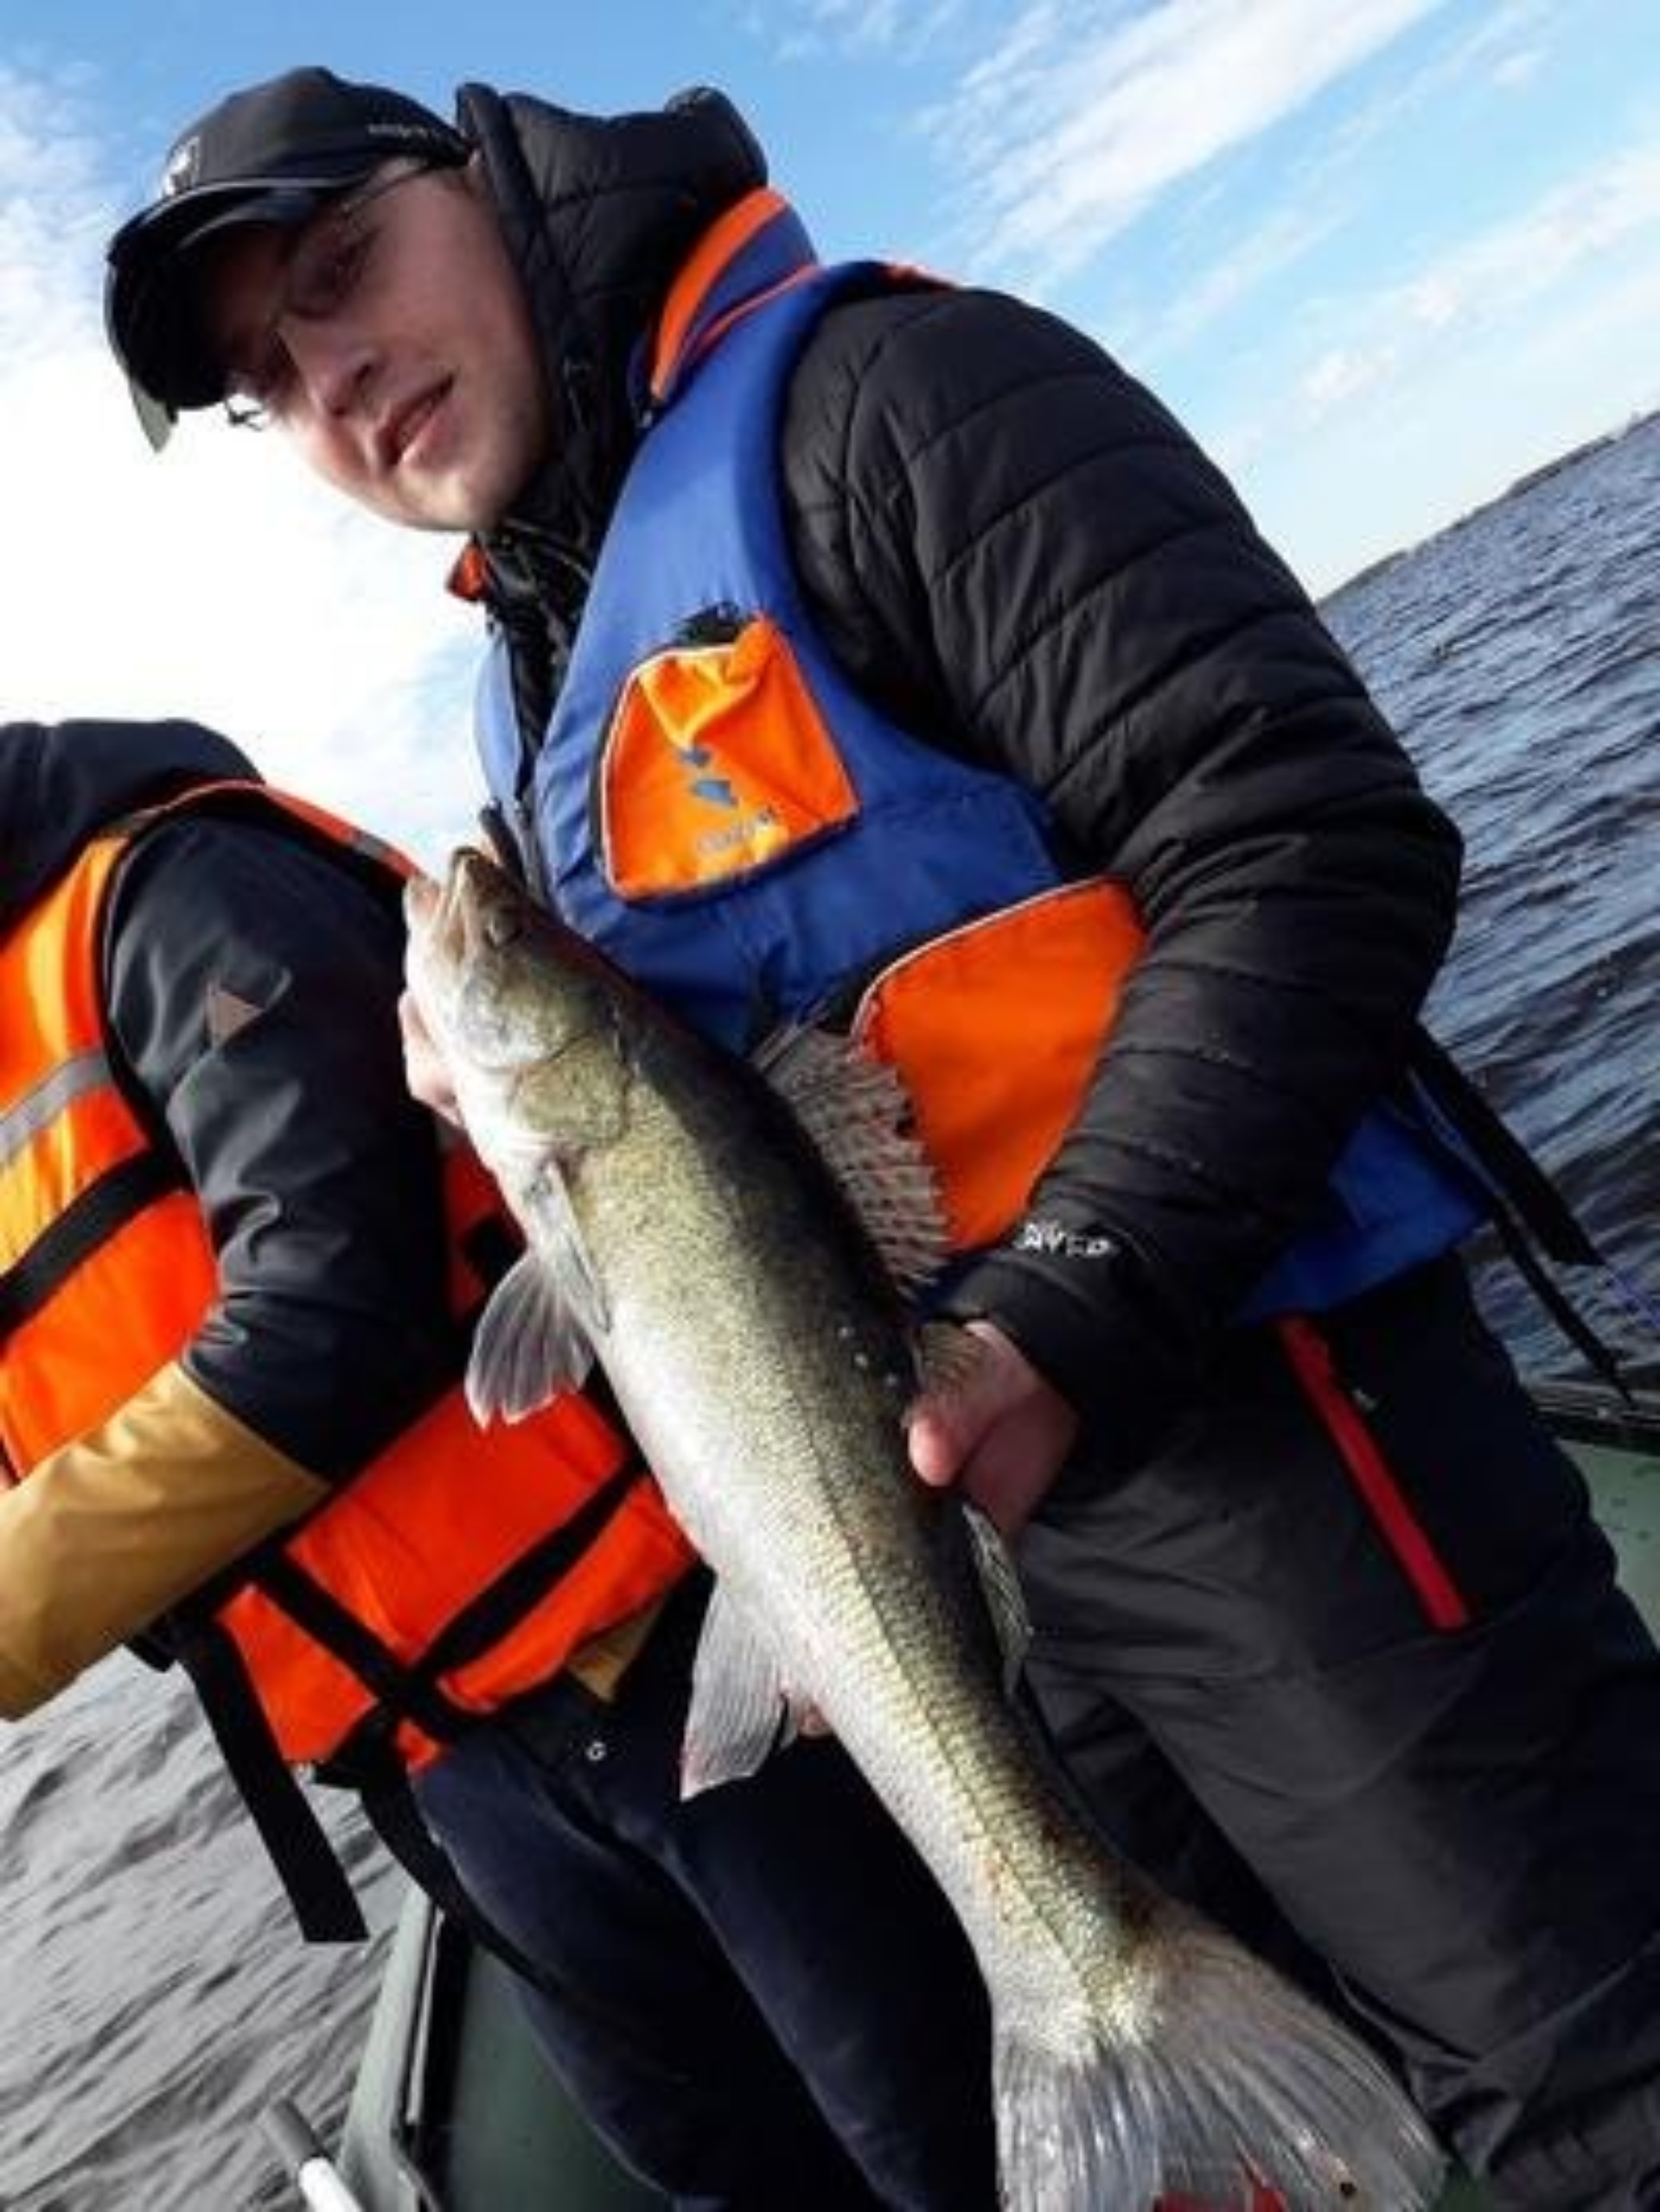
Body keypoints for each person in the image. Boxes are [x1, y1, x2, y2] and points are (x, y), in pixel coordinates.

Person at [101, 66, 1660, 2208]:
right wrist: (483, 1097)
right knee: (1268, 2080)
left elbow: (1311, 837)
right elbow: (694, 1167)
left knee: (1591, 2074)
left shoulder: (890, 398)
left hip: (1261, 1418)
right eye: (272, 378)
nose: (337, 379)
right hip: (977, 1546)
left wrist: (1069, 1312)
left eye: (347, 272)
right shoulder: (541, 675)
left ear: (482, 172)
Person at [0, 715, 1001, 2210]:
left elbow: (338, 1299)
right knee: (734, 2179)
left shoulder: (169, 891)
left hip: (692, 1625)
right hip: (447, 1768)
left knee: (948, 2133)